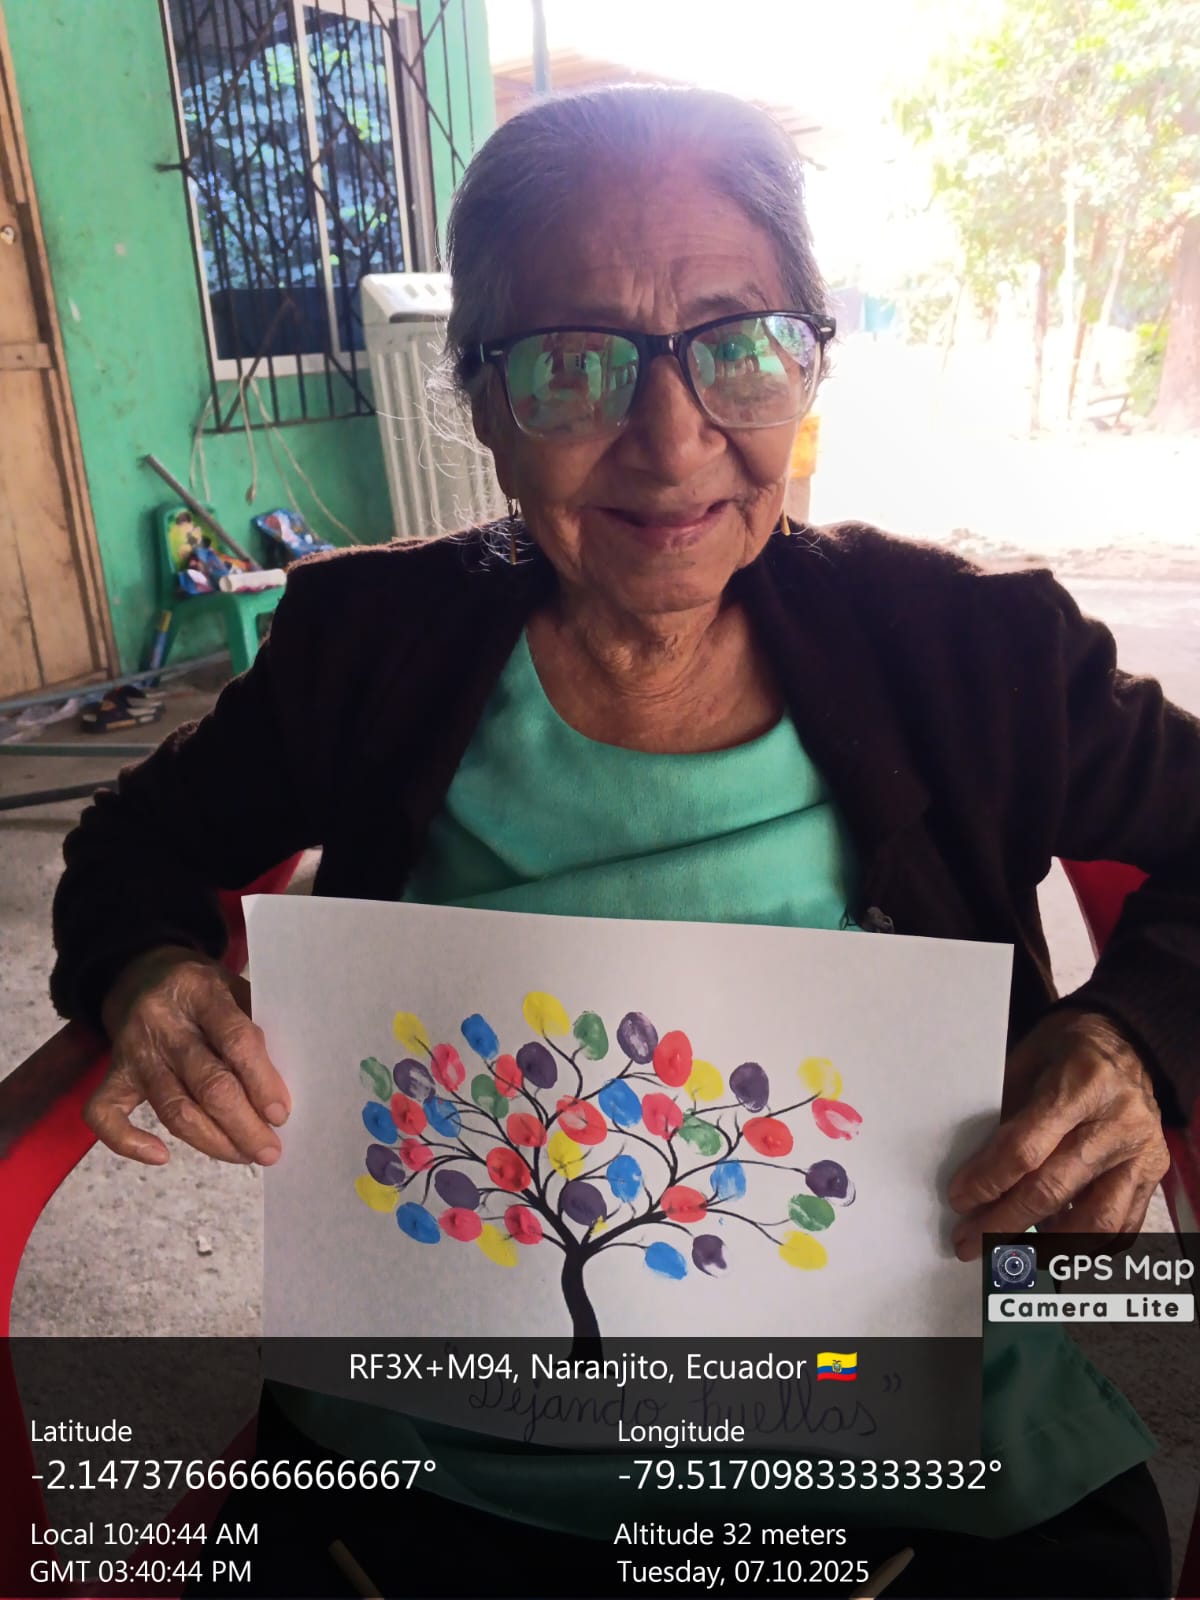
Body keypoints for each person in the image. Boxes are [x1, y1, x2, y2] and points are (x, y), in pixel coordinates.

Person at [50, 86, 1196, 1598]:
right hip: (433, 1455)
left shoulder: (973, 654)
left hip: (920, 1439)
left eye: (738, 343)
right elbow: (133, 843)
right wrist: (146, 971)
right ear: (480, 402)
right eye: (572, 364)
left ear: (809, 362)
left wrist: (1137, 1033)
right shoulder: (366, 651)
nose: (671, 442)